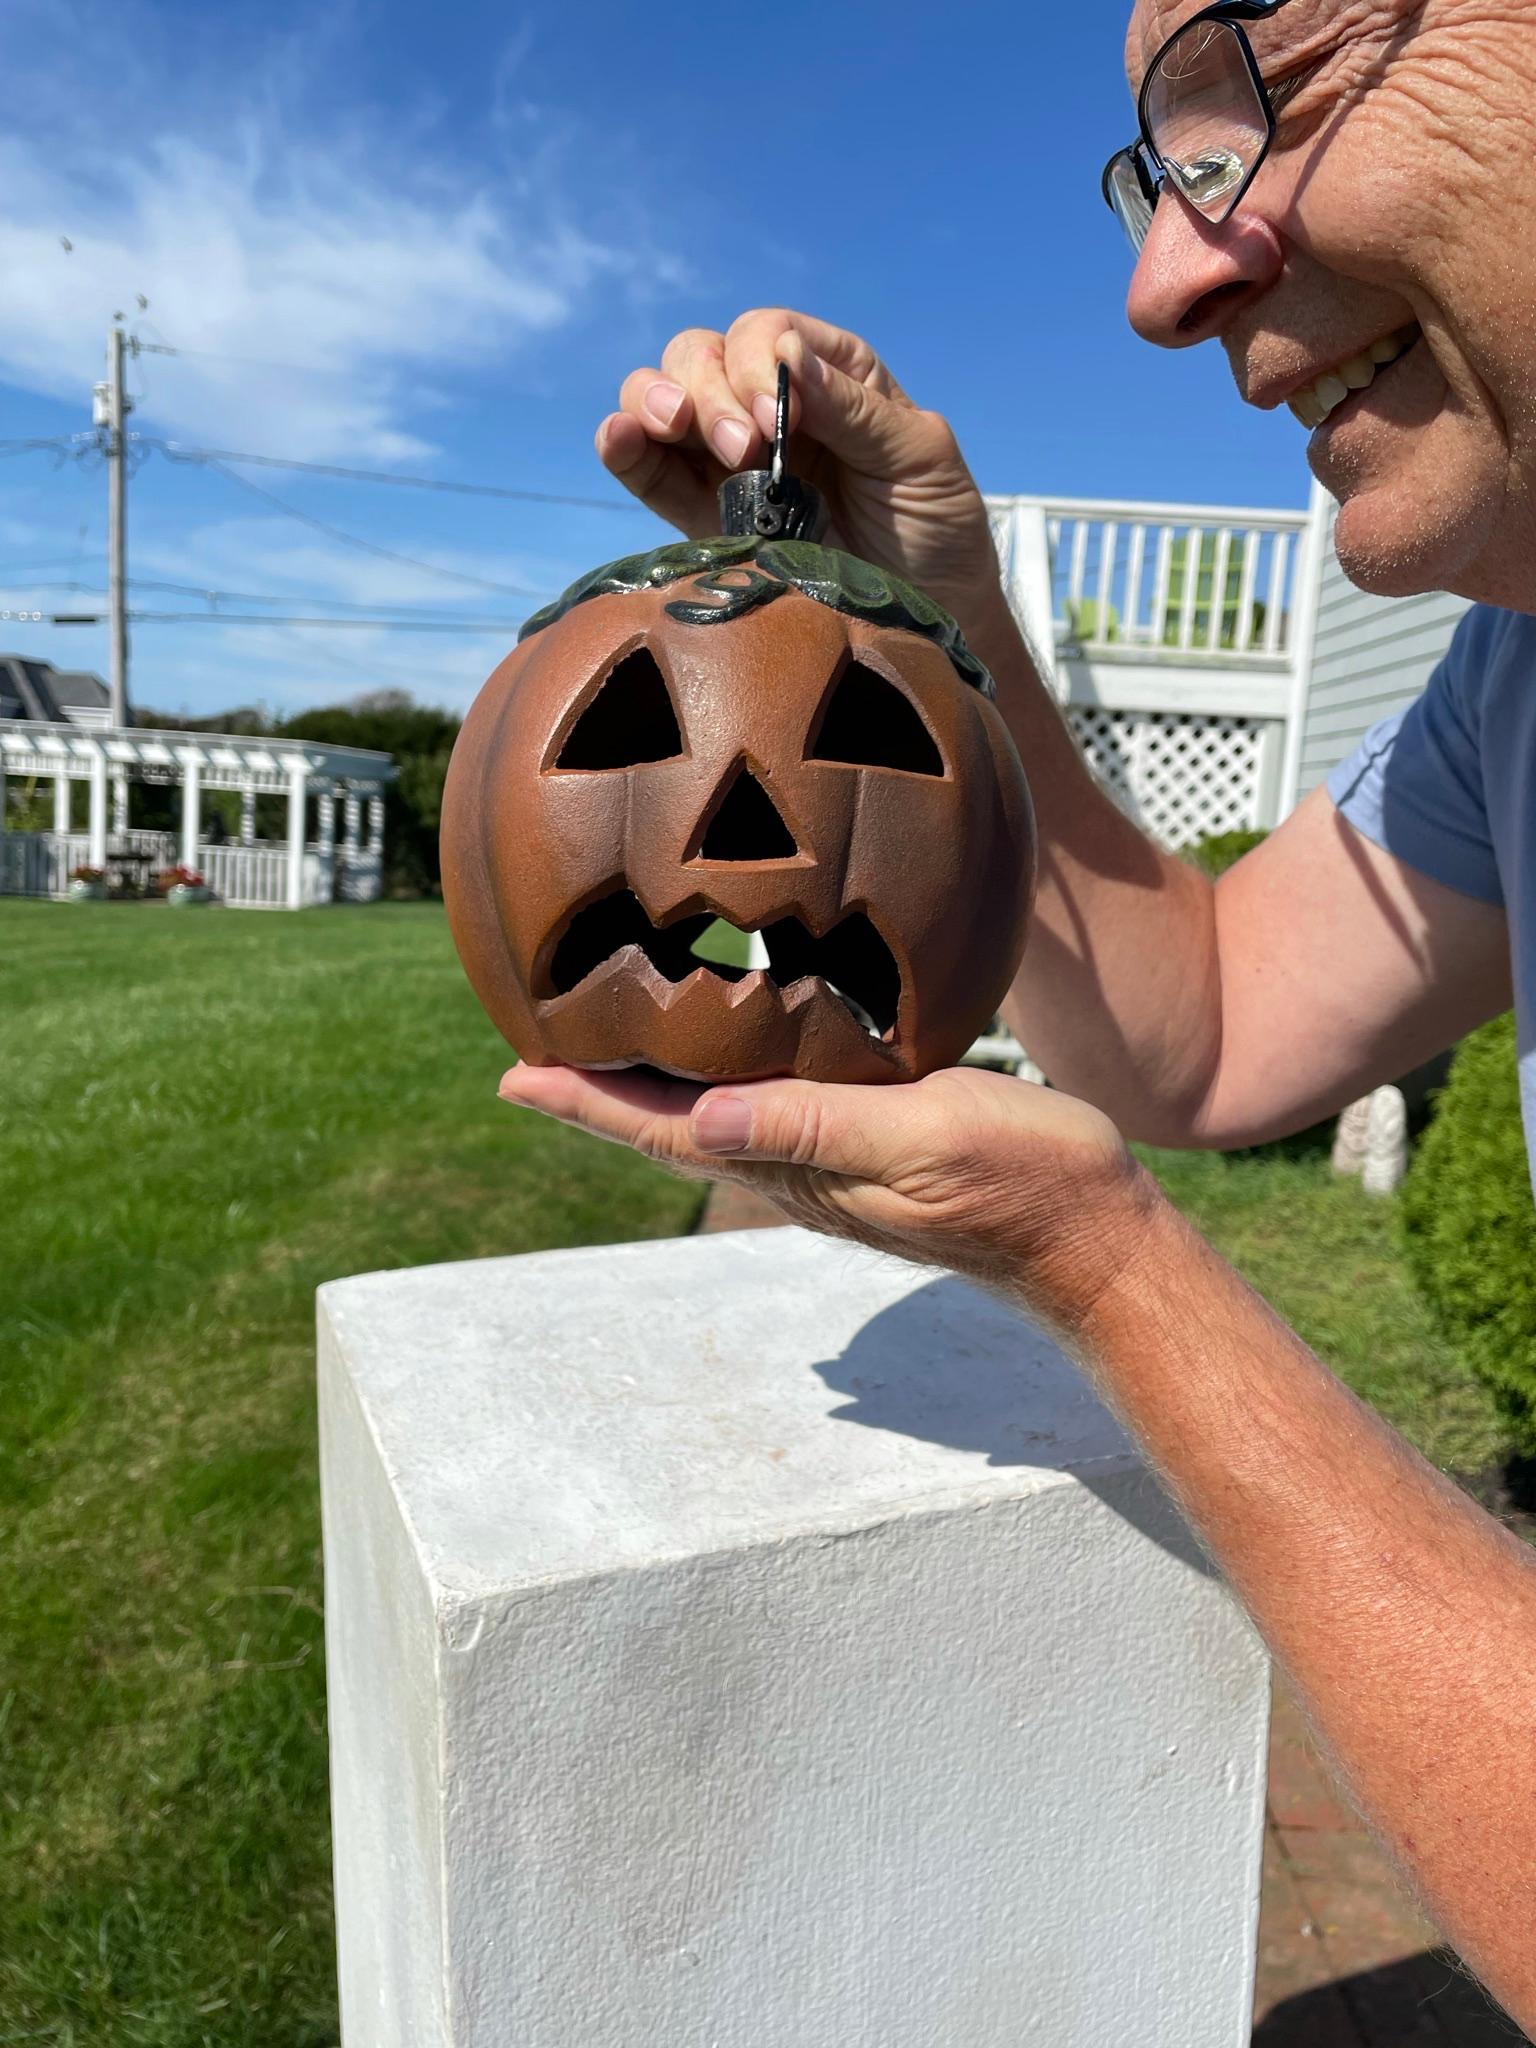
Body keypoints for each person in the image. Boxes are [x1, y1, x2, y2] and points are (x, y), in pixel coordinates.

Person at [499, 0, 1536, 2023]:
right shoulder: (1516, 685)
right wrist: (941, 605)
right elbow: (1207, 1029)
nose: (1162, 281)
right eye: (1160, 169)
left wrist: (1113, 1278)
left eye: (1276, 89)